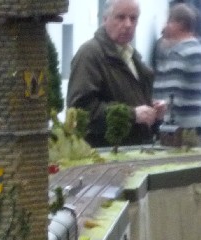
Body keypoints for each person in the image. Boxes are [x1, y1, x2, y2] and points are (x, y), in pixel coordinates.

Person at [66, 0, 167, 148]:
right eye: (121, 17)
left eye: (133, 18)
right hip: (105, 153)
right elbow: (80, 110)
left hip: (135, 149)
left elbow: (132, 102)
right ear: (105, 19)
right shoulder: (89, 54)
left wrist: (154, 113)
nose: (128, 24)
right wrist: (133, 114)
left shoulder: (132, 57)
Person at [153, 3, 201, 140]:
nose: (166, 26)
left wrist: (160, 113)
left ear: (180, 24)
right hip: (199, 120)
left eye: (169, 21)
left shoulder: (179, 53)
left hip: (179, 126)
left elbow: (173, 91)